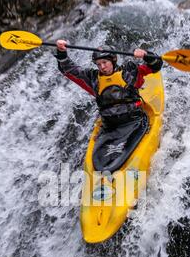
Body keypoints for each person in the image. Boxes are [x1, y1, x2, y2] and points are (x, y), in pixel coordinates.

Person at [56, 39, 163, 172]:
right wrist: (61, 52)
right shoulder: (93, 79)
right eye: (98, 64)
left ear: (113, 61)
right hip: (110, 128)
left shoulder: (129, 73)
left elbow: (156, 65)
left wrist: (146, 55)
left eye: (105, 62)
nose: (102, 67)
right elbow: (68, 69)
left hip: (134, 122)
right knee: (102, 164)